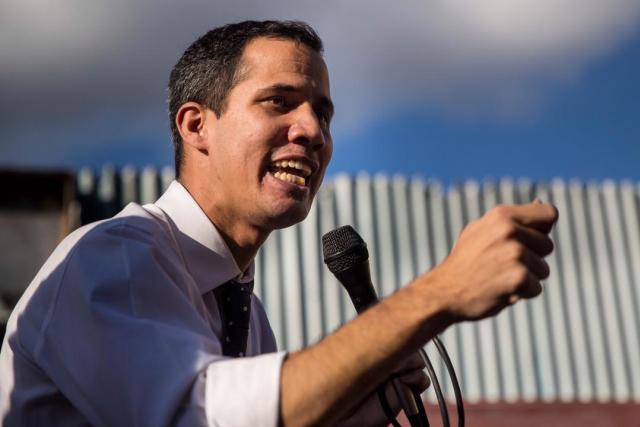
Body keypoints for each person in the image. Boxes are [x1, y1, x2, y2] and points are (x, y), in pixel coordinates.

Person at [0, 20, 558, 426]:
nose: (312, 130)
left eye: (323, 113)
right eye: (279, 102)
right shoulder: (114, 256)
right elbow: (202, 415)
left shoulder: (244, 314)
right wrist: (440, 292)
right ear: (198, 126)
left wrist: (343, 416)